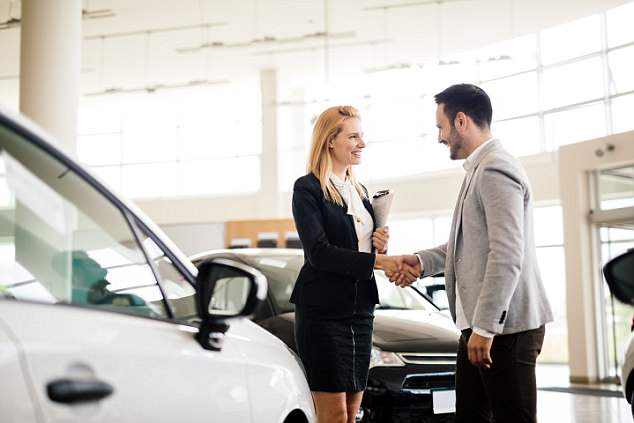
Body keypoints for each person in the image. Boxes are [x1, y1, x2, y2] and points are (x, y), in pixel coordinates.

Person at [389, 84, 553, 423]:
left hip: (505, 331)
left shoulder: (495, 169)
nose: (439, 137)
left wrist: (485, 328)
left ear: (460, 121)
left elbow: (507, 253)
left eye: (440, 127)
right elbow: (468, 244)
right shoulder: (479, 169)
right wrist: (421, 263)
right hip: (480, 327)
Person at [291, 105, 417, 423]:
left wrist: (379, 242)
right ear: (330, 140)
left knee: (351, 413)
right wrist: (379, 260)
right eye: (353, 136)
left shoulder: (360, 192)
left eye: (362, 136)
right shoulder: (308, 189)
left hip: (360, 311)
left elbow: (358, 246)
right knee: (333, 416)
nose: (362, 143)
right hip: (323, 313)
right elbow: (318, 253)